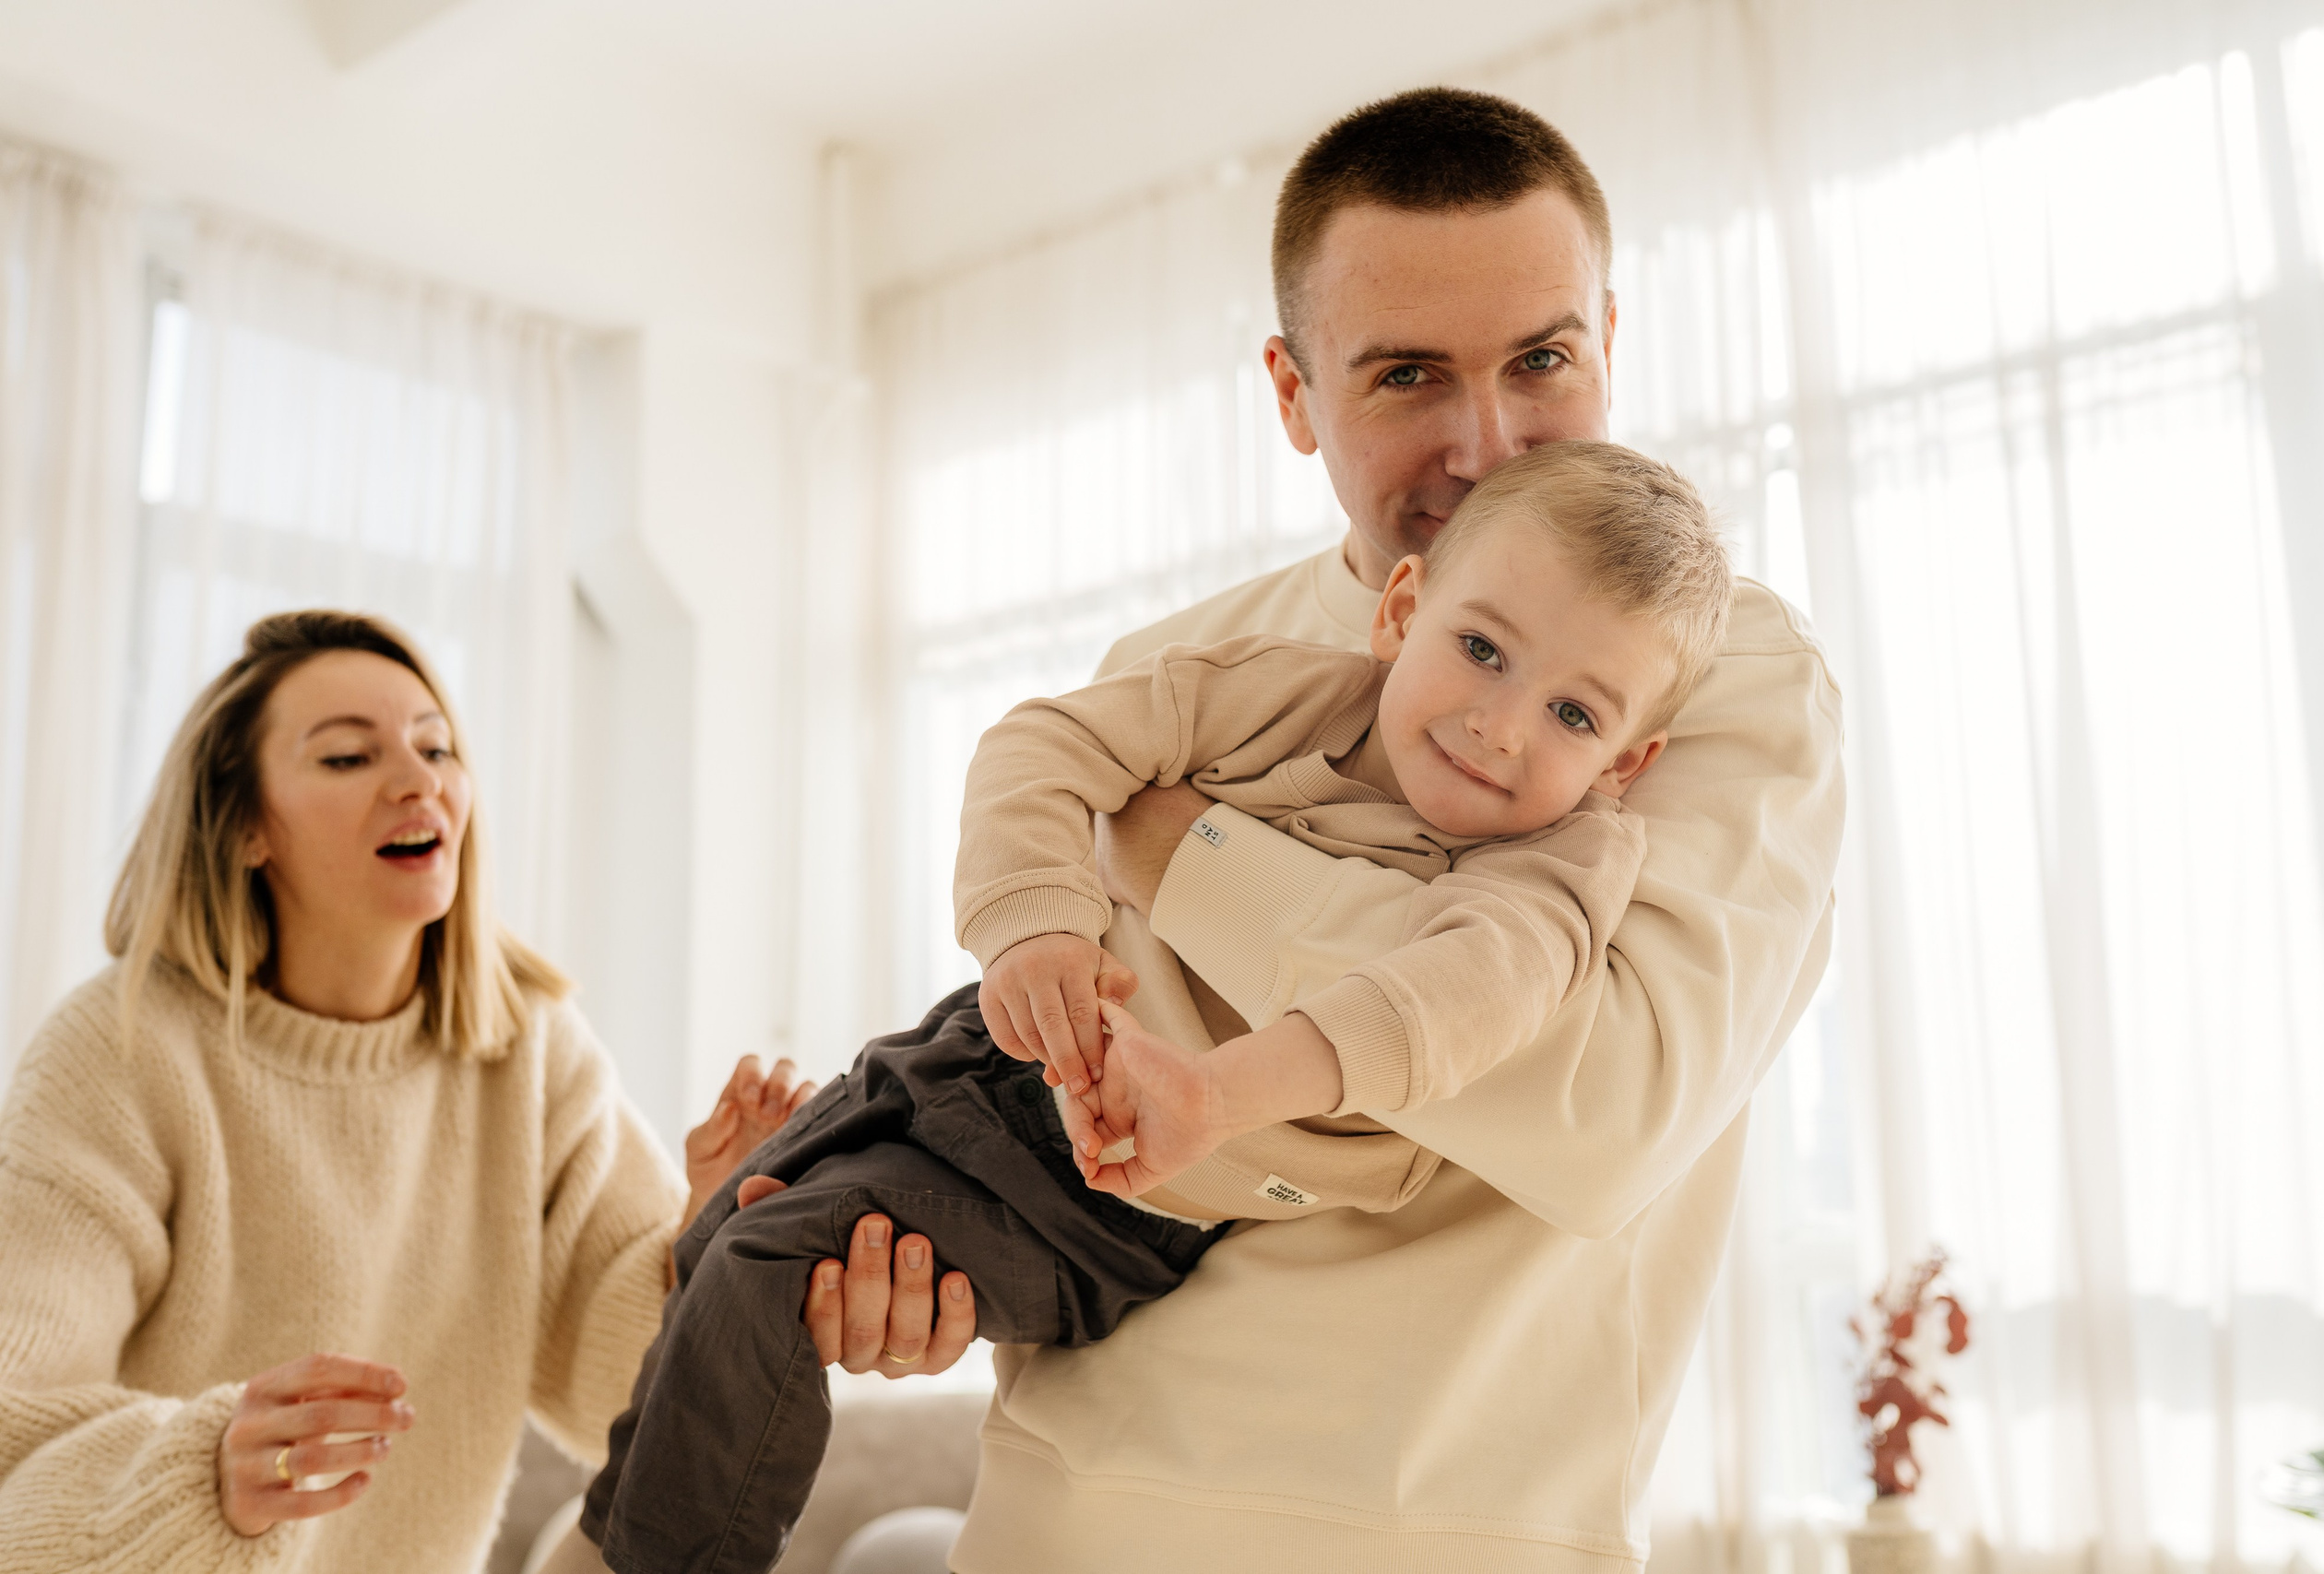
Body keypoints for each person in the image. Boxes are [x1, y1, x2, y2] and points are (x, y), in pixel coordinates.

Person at [781, 87, 1837, 1571]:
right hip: (1060, 1521)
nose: (1489, 442)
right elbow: (1066, 1064)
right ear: (1293, 394)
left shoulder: (1722, 670)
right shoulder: (1176, 663)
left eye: (1544, 356)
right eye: (1409, 374)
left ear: (1612, 339)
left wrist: (1178, 848)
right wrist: (924, 1260)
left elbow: (1605, 1117)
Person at [580, 440, 1731, 1574]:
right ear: (1400, 611)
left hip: (1105, 1193)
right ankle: (607, 1539)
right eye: (1481, 649)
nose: (1502, 724)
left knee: (768, 1260)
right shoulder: (1288, 691)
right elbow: (1045, 744)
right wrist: (1034, 923)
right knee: (716, 1231)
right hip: (977, 1053)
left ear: (1628, 764)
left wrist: (1218, 1092)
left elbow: (1445, 1004)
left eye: (1576, 717)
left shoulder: (1557, 869)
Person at [0, 610, 833, 1574]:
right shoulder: (121, 1051)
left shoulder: (528, 1047)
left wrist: (710, 1240)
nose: (418, 779)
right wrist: (204, 1472)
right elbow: (15, 1434)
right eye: (348, 757)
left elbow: (628, 1383)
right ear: (244, 828)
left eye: (436, 746)